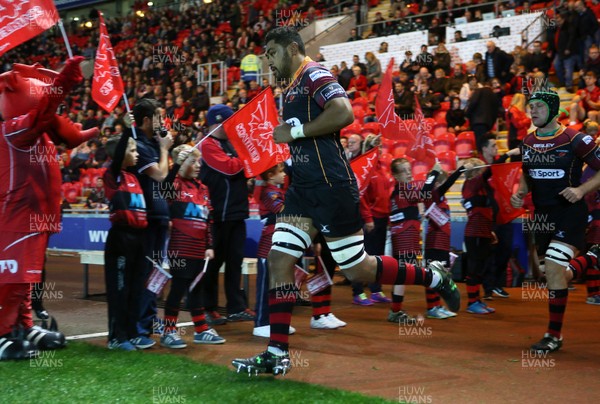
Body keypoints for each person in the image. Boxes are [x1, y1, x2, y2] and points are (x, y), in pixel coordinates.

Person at [232, 26, 460, 376]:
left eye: (273, 53)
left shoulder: (314, 73)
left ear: (293, 48)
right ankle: (277, 353)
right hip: (302, 190)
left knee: (359, 268)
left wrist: (293, 133)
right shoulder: (291, 84)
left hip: (331, 187)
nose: (269, 60)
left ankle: (433, 276)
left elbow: (343, 112)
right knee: (278, 260)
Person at [511, 90, 600, 352]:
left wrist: (582, 190)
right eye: (531, 107)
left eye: (538, 106)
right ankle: (592, 258)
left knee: (552, 265)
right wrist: (520, 192)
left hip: (569, 211)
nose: (533, 111)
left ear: (552, 109)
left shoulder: (576, 139)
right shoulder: (527, 141)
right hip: (541, 216)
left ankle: (553, 336)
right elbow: (526, 173)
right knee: (551, 274)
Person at [159, 145, 225, 348]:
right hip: (180, 247)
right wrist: (176, 164)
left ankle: (201, 329)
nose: (198, 166)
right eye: (193, 161)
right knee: (178, 289)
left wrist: (210, 245)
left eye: (199, 162)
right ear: (181, 163)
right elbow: (164, 190)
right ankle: (168, 331)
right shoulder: (175, 183)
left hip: (199, 249)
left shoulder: (202, 188)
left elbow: (209, 220)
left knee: (197, 289)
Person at [199, 104, 254, 324]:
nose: (231, 125)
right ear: (216, 123)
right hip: (216, 215)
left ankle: (236, 307)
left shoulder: (232, 143)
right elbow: (229, 167)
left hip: (236, 212)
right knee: (212, 264)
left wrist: (246, 162)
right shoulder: (207, 144)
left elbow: (244, 167)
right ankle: (208, 307)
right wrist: (248, 160)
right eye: (227, 122)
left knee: (235, 262)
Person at [132, 98, 174, 348]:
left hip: (159, 218)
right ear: (147, 120)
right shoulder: (139, 146)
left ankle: (147, 320)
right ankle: (139, 327)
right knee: (147, 273)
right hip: (146, 219)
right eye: (159, 117)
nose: (163, 121)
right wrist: (165, 148)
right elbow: (159, 174)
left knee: (157, 273)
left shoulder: (149, 144)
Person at [103, 133, 147, 351]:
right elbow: (119, 154)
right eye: (132, 150)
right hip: (120, 238)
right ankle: (116, 337)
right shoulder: (113, 175)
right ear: (119, 154)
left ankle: (130, 333)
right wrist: (128, 131)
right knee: (119, 290)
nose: (136, 154)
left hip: (139, 238)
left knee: (134, 289)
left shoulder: (133, 177)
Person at [506, 93, 531, 158]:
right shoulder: (513, 110)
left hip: (521, 137)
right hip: (515, 138)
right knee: (516, 159)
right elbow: (517, 124)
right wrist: (527, 120)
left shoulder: (519, 111)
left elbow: (527, 125)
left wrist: (527, 121)